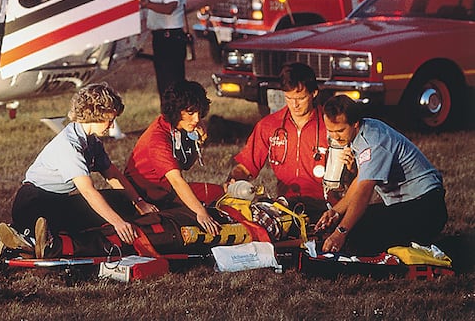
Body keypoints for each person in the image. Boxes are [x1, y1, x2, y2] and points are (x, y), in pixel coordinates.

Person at [0, 83, 158, 258]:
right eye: (109, 120)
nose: (112, 126)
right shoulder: (70, 146)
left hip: (57, 201)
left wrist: (138, 202)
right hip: (34, 202)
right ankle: (27, 239)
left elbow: (112, 174)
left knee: (120, 200)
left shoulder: (91, 141)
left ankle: (27, 238)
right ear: (94, 115)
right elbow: (88, 191)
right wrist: (118, 223)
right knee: (73, 228)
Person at [315, 95, 447, 256]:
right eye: (331, 131)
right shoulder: (363, 131)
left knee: (356, 236)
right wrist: (335, 212)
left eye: (340, 130)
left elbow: (364, 192)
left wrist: (341, 232)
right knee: (356, 226)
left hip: (426, 207)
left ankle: (441, 246)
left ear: (355, 123)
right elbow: (360, 180)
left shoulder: (374, 141)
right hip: (409, 203)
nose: (335, 136)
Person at [226, 62, 330, 222]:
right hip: (284, 206)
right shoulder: (269, 125)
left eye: (300, 98)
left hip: (324, 206)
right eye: (289, 98)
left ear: (314, 93)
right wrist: (235, 179)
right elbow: (246, 166)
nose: (294, 105)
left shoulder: (330, 125)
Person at [124, 80, 223, 236]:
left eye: (199, 112)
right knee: (208, 204)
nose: (197, 119)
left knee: (220, 193)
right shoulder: (157, 138)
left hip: (165, 190)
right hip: (147, 196)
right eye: (191, 113)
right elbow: (176, 180)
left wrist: (197, 142)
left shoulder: (174, 126)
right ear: (176, 111)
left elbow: (186, 164)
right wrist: (201, 212)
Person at [130, 0, 187, 96]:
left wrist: (145, 3)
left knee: (172, 85)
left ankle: (175, 118)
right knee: (164, 85)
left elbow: (169, 7)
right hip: (162, 38)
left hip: (170, 39)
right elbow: (156, 2)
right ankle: (168, 118)